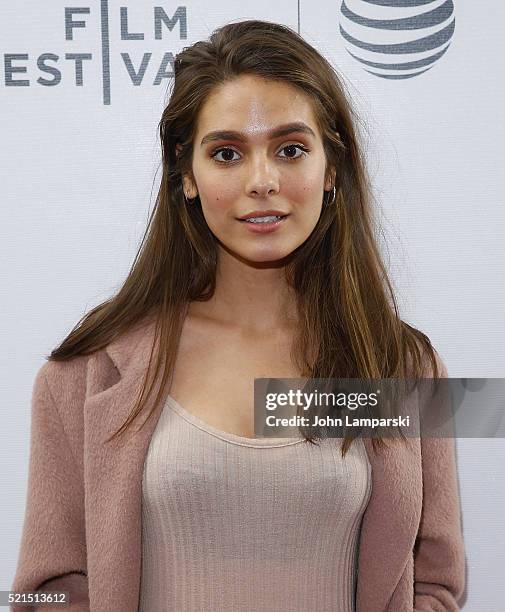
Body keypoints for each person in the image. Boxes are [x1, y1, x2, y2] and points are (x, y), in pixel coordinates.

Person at [11, 19, 465, 612]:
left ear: (332, 168)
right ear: (187, 174)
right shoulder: (87, 371)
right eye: (226, 153)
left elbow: (434, 585)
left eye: (290, 149)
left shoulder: (405, 369)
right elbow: (43, 594)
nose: (262, 181)